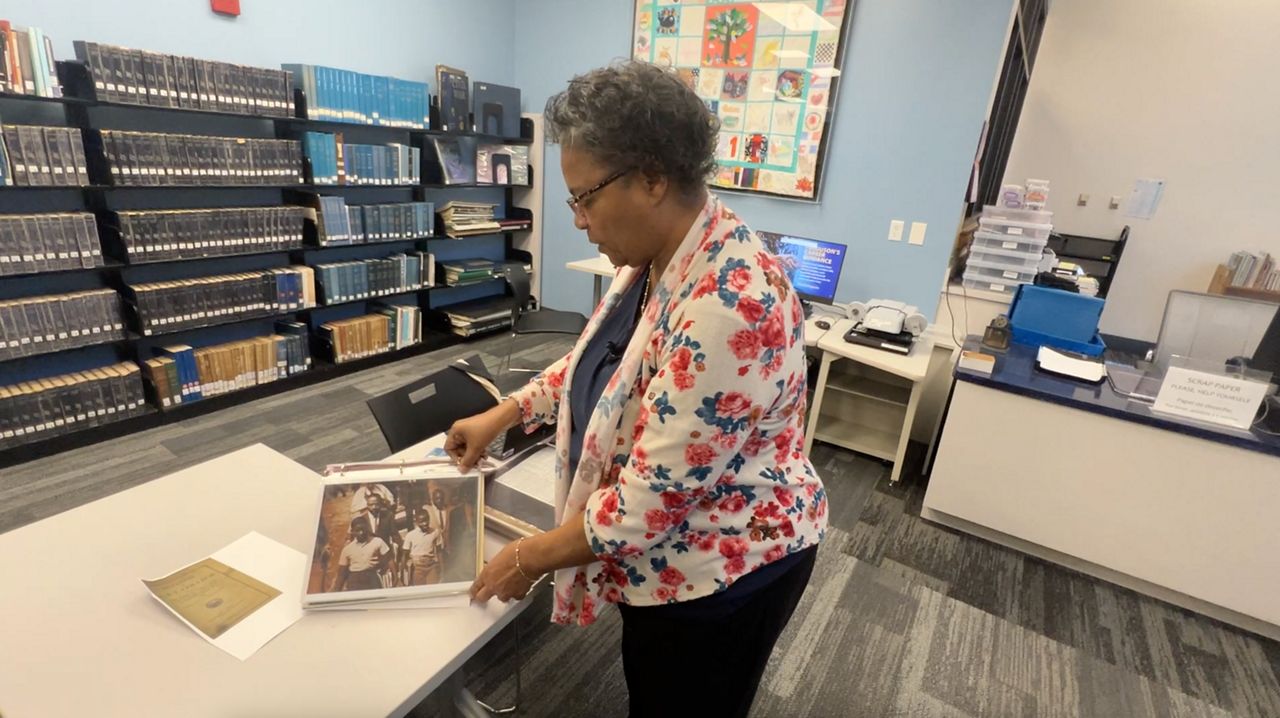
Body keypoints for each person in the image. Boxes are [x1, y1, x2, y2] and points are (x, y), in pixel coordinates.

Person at [448, 61, 828, 718]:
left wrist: (528, 557)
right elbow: (605, 363)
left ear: (653, 178)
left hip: (727, 567)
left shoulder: (725, 309)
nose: (577, 220)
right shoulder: (669, 249)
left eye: (584, 198)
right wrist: (505, 412)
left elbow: (645, 508)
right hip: (676, 548)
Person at [329, 516, 390, 592]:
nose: (361, 533)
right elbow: (342, 574)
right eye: (357, 530)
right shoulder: (347, 549)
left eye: (363, 529)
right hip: (354, 581)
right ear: (352, 532)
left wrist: (382, 569)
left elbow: (388, 560)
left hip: (372, 578)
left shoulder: (377, 541)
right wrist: (337, 591)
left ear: (367, 529)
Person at [401, 508, 445, 586]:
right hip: (417, 567)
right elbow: (405, 554)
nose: (425, 523)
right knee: (419, 589)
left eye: (426, 520)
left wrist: (442, 568)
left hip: (431, 566)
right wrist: (403, 572)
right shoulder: (411, 535)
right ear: (417, 522)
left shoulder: (435, 532)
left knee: (432, 588)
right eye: (421, 522)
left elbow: (439, 551)